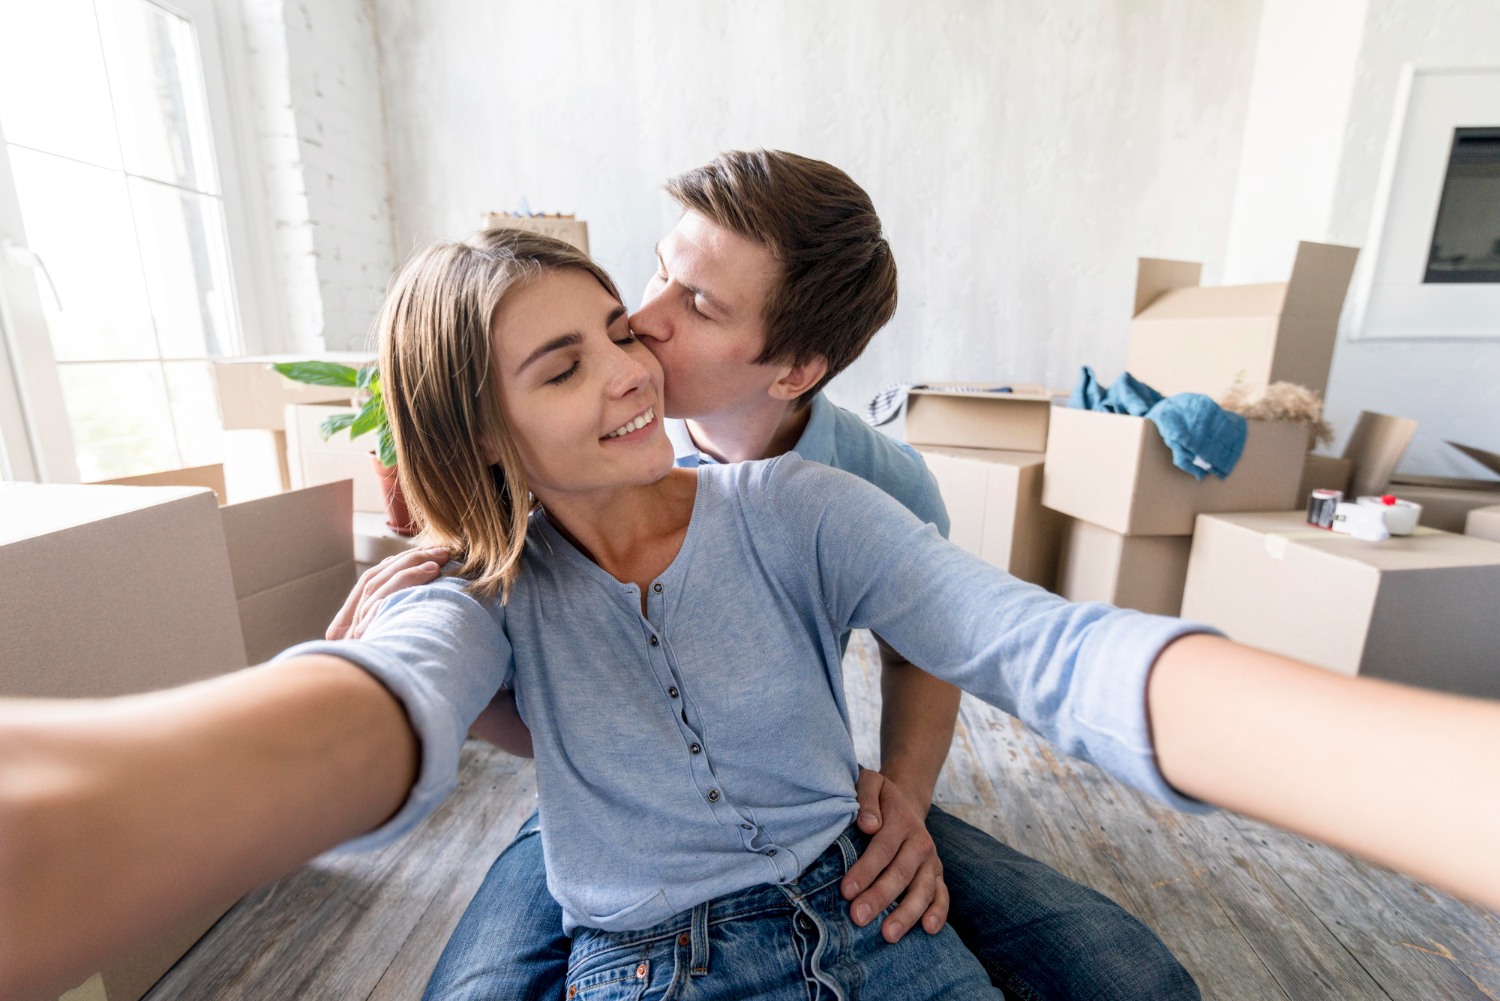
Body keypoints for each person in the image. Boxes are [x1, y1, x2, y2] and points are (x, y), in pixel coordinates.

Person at [6, 229, 1499, 1001]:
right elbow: (376, 715)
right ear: (481, 437)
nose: (635, 363)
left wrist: (1432, 783)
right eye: (564, 367)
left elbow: (1036, 644)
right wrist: (130, 803)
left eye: (621, 330)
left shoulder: (803, 504)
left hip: (863, 897)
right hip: (647, 957)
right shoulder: (478, 589)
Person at [338, 151, 1200, 1001]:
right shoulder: (595, 449)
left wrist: (903, 794)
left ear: (794, 370)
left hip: (803, 795)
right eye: (657, 274)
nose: (645, 320)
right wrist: (462, 563)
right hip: (613, 816)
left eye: (700, 305)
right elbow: (523, 671)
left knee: (1121, 969)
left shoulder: (861, 489)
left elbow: (943, 640)